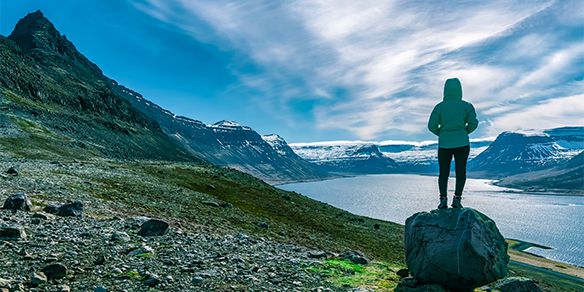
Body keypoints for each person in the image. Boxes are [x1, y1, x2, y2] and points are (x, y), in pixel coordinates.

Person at [427, 78, 478, 209]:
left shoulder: (439, 107)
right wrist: (464, 132)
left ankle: (443, 200)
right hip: (462, 144)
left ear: (445, 90)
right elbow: (474, 123)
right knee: (461, 172)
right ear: (460, 89)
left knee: (443, 173)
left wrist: (442, 134)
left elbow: (431, 125)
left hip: (444, 145)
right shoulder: (467, 106)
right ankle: (457, 199)